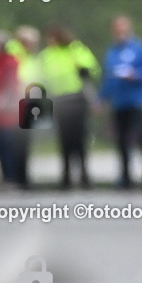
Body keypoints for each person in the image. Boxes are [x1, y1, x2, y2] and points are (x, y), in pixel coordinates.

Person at [37, 24, 101, 189]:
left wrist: (84, 68)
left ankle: (84, 174)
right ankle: (66, 176)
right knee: (64, 139)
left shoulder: (75, 49)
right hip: (59, 100)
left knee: (79, 138)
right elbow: (40, 75)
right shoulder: (46, 55)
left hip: (76, 98)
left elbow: (92, 68)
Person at [101, 15, 142, 189]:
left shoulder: (139, 48)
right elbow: (108, 78)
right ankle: (125, 177)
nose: (120, 32)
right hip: (119, 103)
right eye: (117, 29)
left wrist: (136, 75)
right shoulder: (111, 52)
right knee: (121, 141)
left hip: (137, 101)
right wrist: (102, 97)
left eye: (123, 28)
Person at [0, 30, 30, 188]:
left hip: (9, 114)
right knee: (0, 146)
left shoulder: (8, 63)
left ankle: (12, 179)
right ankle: (6, 178)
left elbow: (10, 86)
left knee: (8, 146)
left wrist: (2, 103)